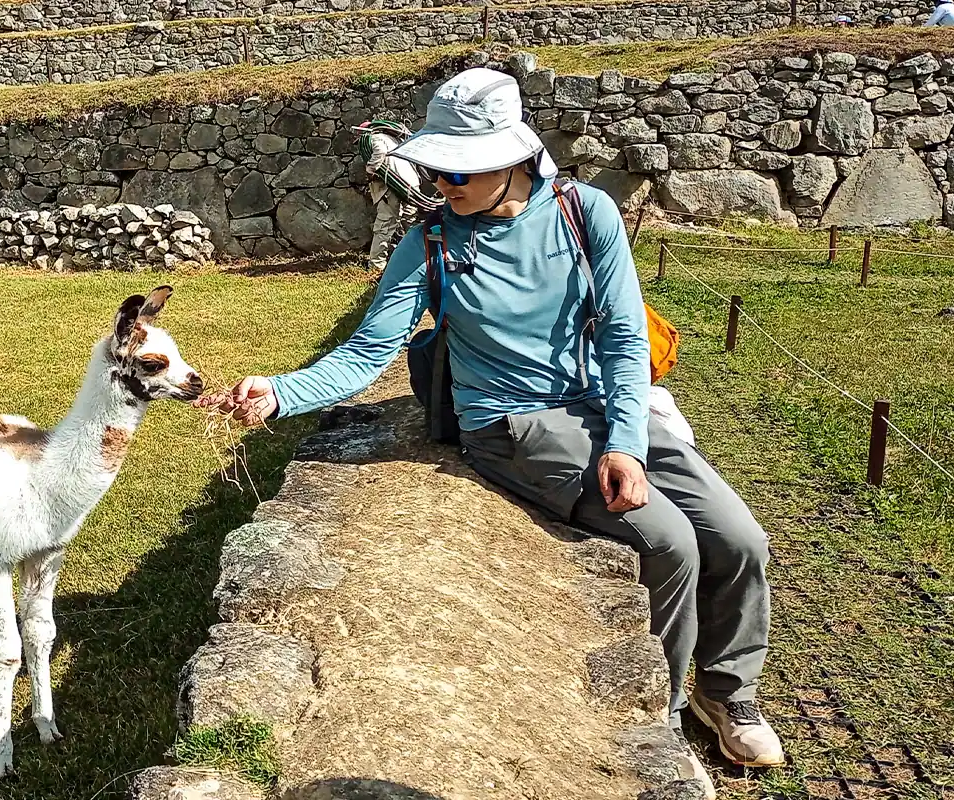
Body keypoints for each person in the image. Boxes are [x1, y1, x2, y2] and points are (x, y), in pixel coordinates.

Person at [198, 68, 785, 790]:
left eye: (462, 170)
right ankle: (655, 718)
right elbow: (367, 350)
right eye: (439, 168)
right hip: (512, 427)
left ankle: (726, 692)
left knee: (741, 538)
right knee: (669, 543)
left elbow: (626, 340)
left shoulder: (585, 212)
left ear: (516, 159)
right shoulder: (432, 241)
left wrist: (627, 443)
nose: (445, 183)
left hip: (605, 406)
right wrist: (280, 393)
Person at [356, 120, 440, 271]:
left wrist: (370, 170)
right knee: (410, 222)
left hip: (393, 186)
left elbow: (379, 153)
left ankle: (376, 265)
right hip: (411, 183)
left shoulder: (376, 138)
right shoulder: (394, 139)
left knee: (384, 224)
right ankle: (413, 257)